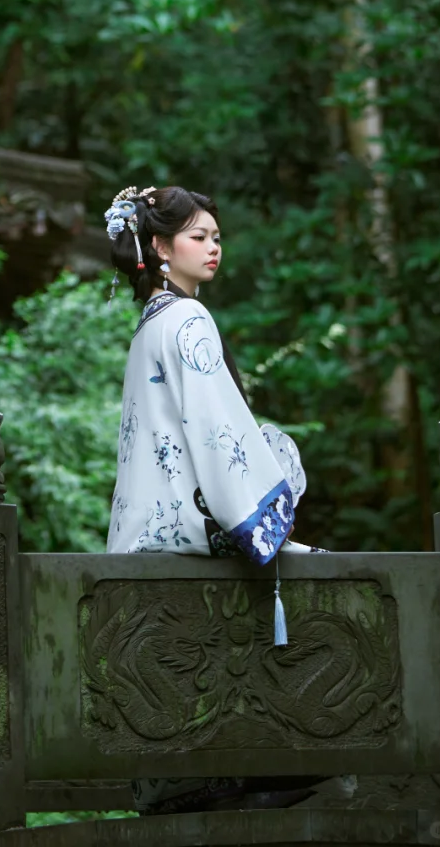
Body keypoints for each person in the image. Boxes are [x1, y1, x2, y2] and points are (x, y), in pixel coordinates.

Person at [104, 183, 323, 815]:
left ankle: (187, 782)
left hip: (149, 527)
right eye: (198, 236)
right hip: (190, 532)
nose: (213, 247)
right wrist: (259, 509)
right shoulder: (189, 320)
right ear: (160, 248)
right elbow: (218, 429)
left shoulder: (150, 326)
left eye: (217, 236)